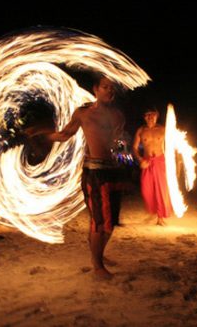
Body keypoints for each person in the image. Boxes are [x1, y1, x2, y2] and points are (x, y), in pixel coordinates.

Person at [27, 75, 125, 280]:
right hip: (95, 173)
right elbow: (64, 135)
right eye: (105, 87)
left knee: (111, 221)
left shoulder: (118, 116)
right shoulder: (83, 113)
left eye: (112, 88)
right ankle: (97, 265)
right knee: (100, 222)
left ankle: (98, 255)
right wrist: (42, 134)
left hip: (113, 171)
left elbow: (116, 142)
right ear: (95, 89)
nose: (109, 91)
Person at [132, 106, 172, 226]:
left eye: (152, 114)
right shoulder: (141, 130)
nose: (150, 117)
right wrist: (140, 160)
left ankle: (160, 217)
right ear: (144, 117)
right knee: (147, 190)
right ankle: (153, 211)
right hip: (146, 162)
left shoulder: (163, 129)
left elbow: (172, 144)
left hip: (160, 161)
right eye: (147, 115)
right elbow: (134, 147)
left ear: (157, 115)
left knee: (161, 190)